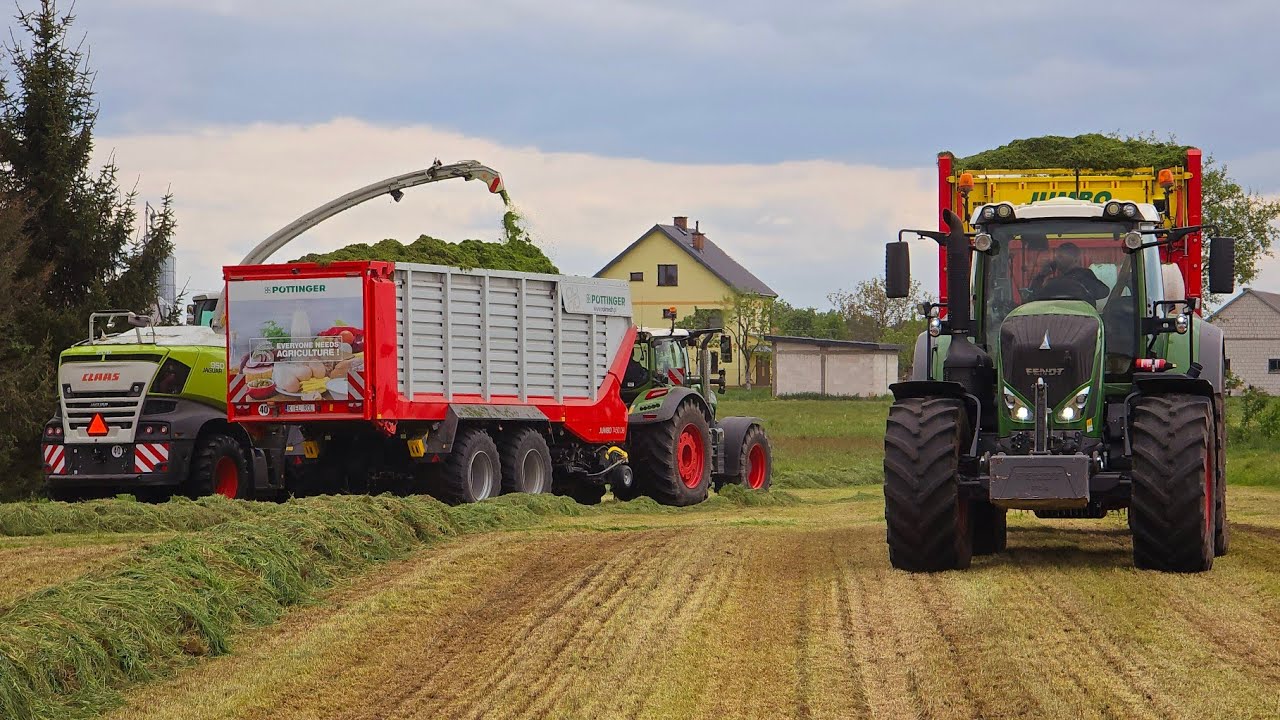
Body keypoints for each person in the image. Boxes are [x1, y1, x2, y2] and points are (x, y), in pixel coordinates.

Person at [1029, 242, 1109, 301]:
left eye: (1060, 257)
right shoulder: (1054, 282)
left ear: (1075, 259)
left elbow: (1103, 292)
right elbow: (1034, 296)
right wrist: (1042, 275)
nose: (1056, 260)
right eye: (1056, 257)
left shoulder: (1085, 275)